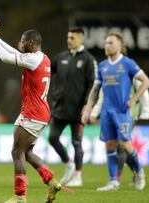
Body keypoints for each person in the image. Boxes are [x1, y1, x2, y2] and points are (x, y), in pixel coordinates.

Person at [0, 20, 62, 203]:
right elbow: (13, 53)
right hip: (41, 112)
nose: (19, 44)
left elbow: (6, 58)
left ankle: (20, 197)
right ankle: (51, 181)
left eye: (22, 41)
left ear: (30, 42)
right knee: (26, 152)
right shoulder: (43, 58)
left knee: (16, 152)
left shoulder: (33, 59)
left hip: (33, 113)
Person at [82, 32, 149, 191]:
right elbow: (95, 89)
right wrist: (88, 108)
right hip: (106, 111)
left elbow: (146, 82)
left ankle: (139, 172)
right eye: (106, 43)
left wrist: (134, 100)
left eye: (111, 43)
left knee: (125, 144)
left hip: (121, 111)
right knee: (110, 145)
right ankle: (113, 181)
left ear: (120, 45)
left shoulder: (128, 63)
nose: (107, 46)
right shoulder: (103, 65)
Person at [48, 27, 97, 187]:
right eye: (68, 37)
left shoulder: (88, 60)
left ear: (81, 39)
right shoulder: (61, 57)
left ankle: (78, 175)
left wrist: (87, 106)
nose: (69, 40)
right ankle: (68, 164)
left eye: (72, 38)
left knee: (77, 143)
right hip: (60, 108)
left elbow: (93, 85)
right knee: (52, 138)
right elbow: (46, 70)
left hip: (78, 111)